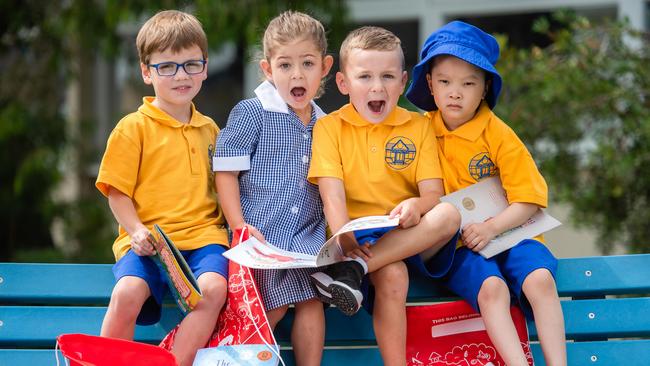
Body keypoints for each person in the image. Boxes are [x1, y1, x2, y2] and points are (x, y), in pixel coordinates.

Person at [405, 20, 567, 366]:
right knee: (491, 288)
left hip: (509, 233)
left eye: (468, 83)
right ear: (430, 84)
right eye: (445, 82)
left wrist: (492, 228)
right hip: (458, 247)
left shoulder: (498, 133)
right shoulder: (418, 131)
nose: (455, 92)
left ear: (485, 88)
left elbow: (529, 198)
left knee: (539, 279)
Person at [307, 26, 460, 366]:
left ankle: (353, 270)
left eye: (388, 76)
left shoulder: (418, 126)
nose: (377, 87)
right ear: (344, 84)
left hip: (407, 232)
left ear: (403, 82)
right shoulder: (330, 127)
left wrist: (415, 205)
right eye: (365, 77)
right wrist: (346, 242)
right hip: (356, 235)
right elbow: (332, 197)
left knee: (449, 214)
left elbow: (433, 194)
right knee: (393, 275)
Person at [95, 10, 228, 366]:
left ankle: (172, 362)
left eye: (190, 64)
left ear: (205, 66)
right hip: (149, 243)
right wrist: (136, 230)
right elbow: (117, 191)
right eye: (167, 66)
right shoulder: (133, 127)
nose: (180, 75)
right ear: (146, 71)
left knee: (214, 291)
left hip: (204, 240)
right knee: (127, 292)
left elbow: (225, 191)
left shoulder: (212, 130)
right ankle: (108, 362)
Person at [213, 11, 333, 366]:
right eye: (285, 66)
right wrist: (238, 225)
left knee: (312, 300)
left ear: (324, 67)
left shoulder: (327, 125)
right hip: (261, 235)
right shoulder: (252, 113)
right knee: (274, 306)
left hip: (307, 237)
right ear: (267, 69)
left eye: (307, 64)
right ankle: (238, 359)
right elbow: (225, 172)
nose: (297, 74)